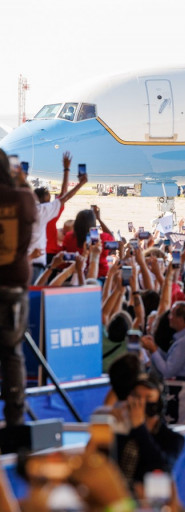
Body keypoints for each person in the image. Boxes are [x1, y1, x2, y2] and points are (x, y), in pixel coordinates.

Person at [0, 151, 37, 427]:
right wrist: (21, 181)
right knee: (11, 353)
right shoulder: (23, 198)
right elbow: (33, 212)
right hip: (12, 284)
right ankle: (15, 419)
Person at [114, 379, 185, 484]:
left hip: (147, 496)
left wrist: (139, 427)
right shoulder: (119, 431)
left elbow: (161, 466)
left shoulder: (173, 439)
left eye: (148, 398)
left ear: (159, 404)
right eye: (137, 397)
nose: (141, 403)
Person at [29, 165, 87, 283]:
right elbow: (64, 194)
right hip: (47, 257)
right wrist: (67, 169)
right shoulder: (49, 212)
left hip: (31, 257)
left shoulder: (28, 212)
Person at [140, 301, 185, 382]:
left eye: (172, 314)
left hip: (184, 385)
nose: (169, 317)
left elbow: (167, 372)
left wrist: (153, 350)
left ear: (181, 319)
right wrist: (155, 347)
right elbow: (172, 359)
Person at [61, 207, 114, 279]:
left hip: (72, 276)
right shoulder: (101, 240)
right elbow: (112, 238)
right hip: (98, 278)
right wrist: (99, 219)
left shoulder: (69, 237)